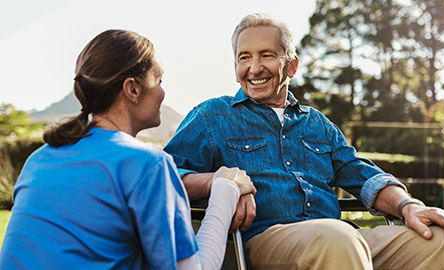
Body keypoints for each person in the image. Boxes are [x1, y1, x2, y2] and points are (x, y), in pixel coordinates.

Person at [164, 13, 444, 269]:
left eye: (267, 55)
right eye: (244, 57)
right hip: (266, 243)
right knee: (337, 238)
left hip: (342, 240)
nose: (254, 68)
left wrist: (408, 206)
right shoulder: (211, 116)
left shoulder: (317, 123)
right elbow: (166, 176)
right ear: (235, 68)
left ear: (291, 65)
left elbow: (363, 175)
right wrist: (222, 182)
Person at [0, 29, 256, 270]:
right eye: (159, 80)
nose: (163, 92)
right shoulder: (147, 163)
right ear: (132, 89)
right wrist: (226, 186)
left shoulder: (38, 159)